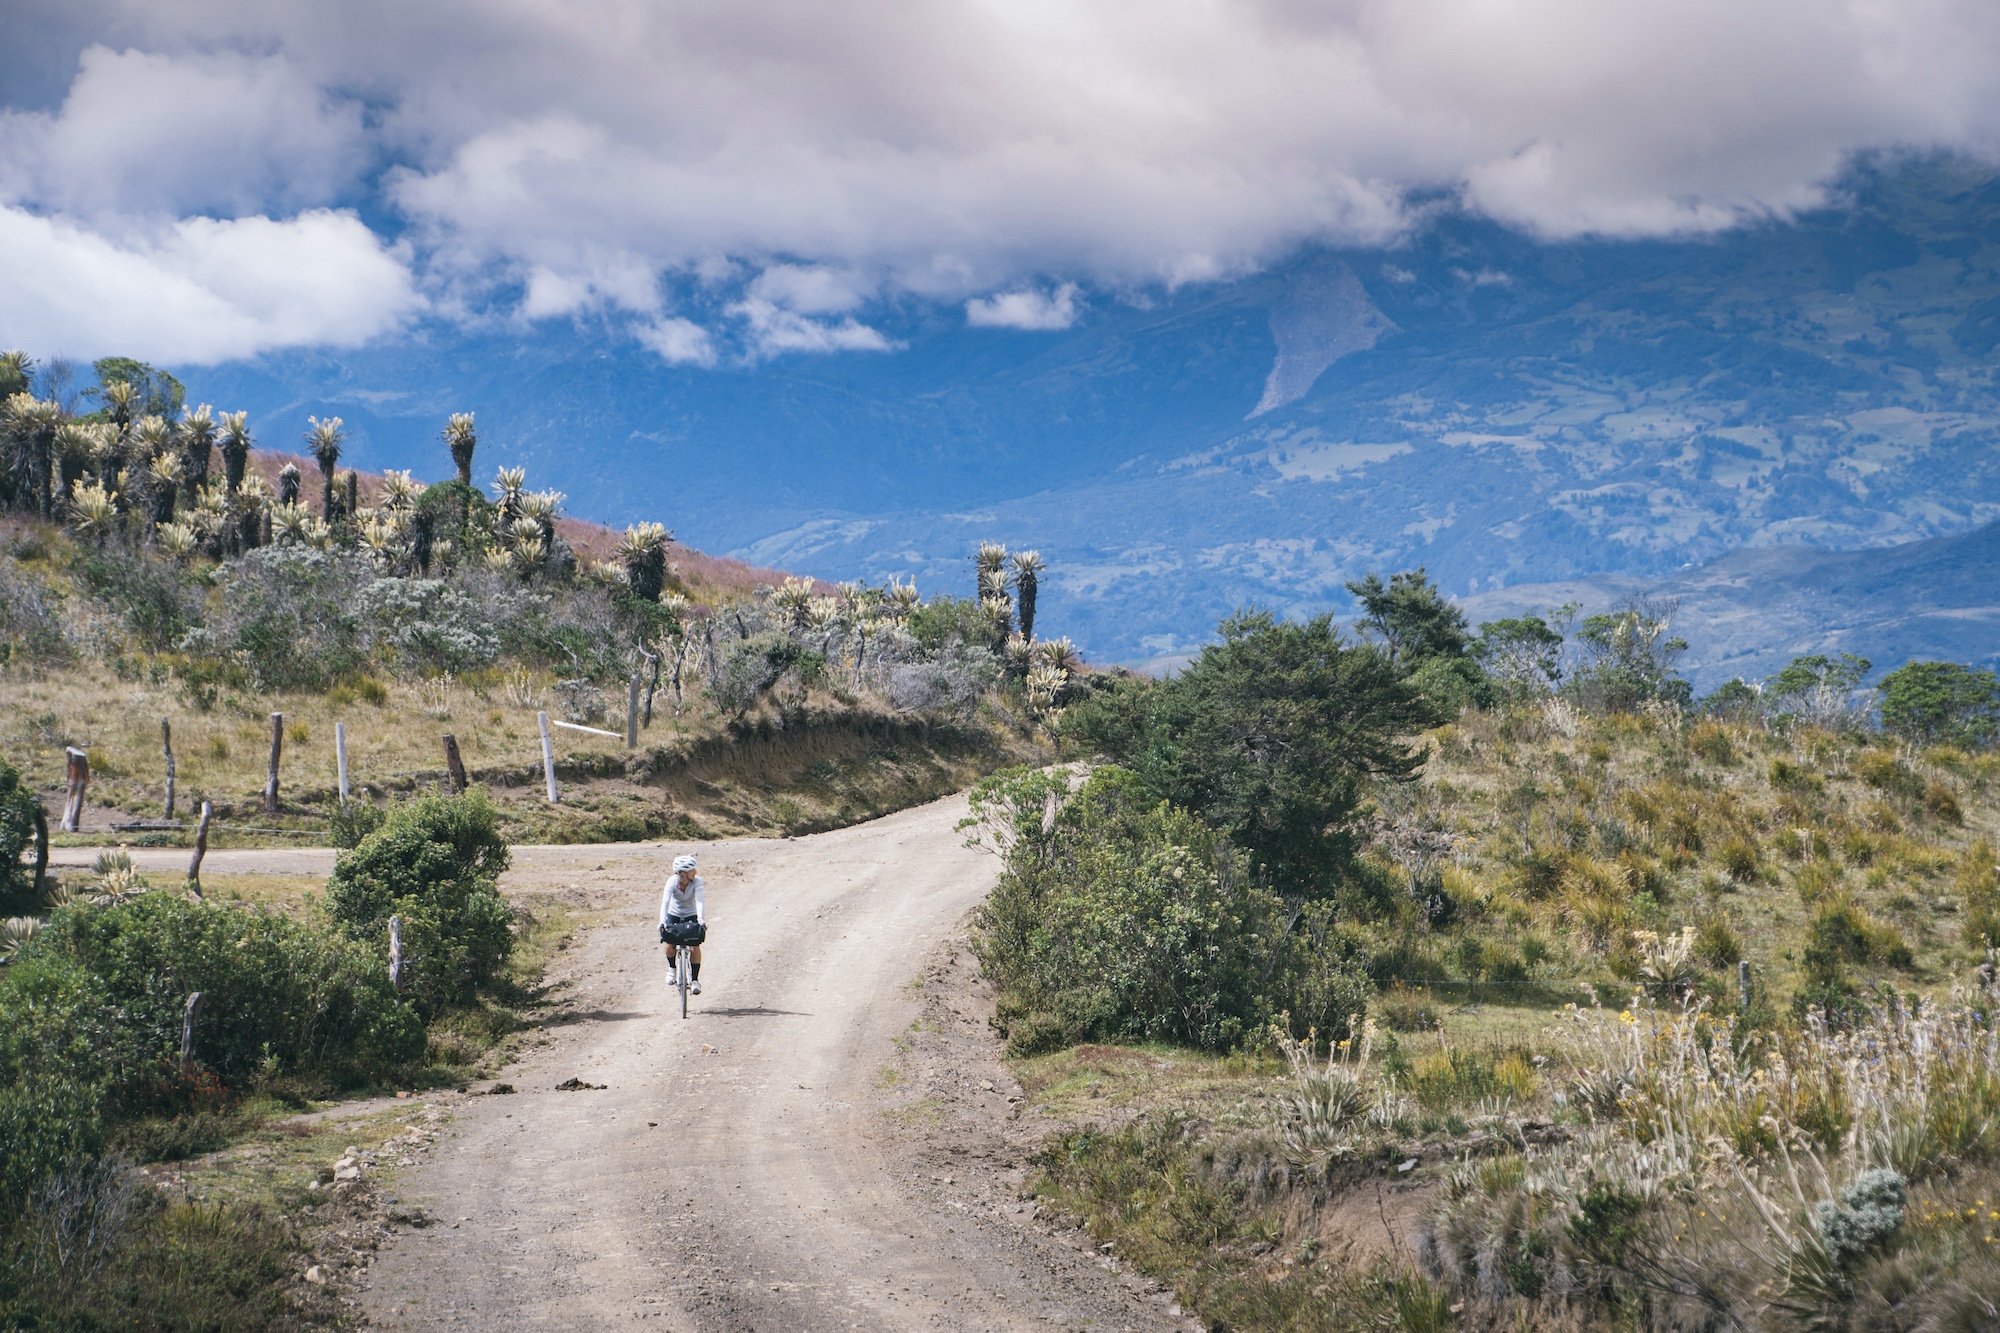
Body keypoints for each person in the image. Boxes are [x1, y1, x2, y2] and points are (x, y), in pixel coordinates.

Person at [659, 853, 705, 995]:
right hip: (674, 914)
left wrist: (702, 920)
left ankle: (695, 980)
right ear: (684, 873)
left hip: (691, 914)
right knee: (668, 942)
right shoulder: (671, 882)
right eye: (693, 870)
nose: (695, 872)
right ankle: (672, 968)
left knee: (694, 945)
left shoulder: (697, 882)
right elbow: (665, 902)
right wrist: (662, 921)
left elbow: (699, 901)